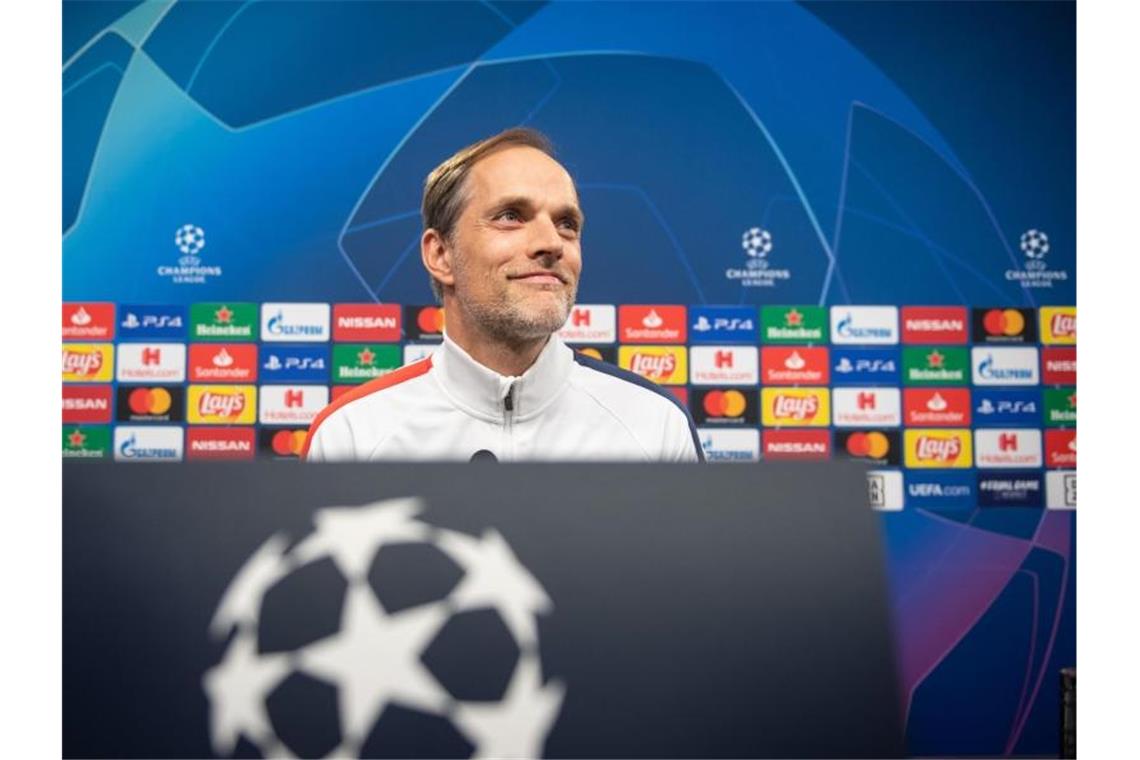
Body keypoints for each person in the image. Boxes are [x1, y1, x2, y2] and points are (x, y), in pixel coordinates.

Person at [304, 127, 703, 462]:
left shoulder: (656, 427)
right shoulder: (351, 435)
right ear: (441, 255)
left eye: (566, 223)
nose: (551, 243)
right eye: (511, 216)